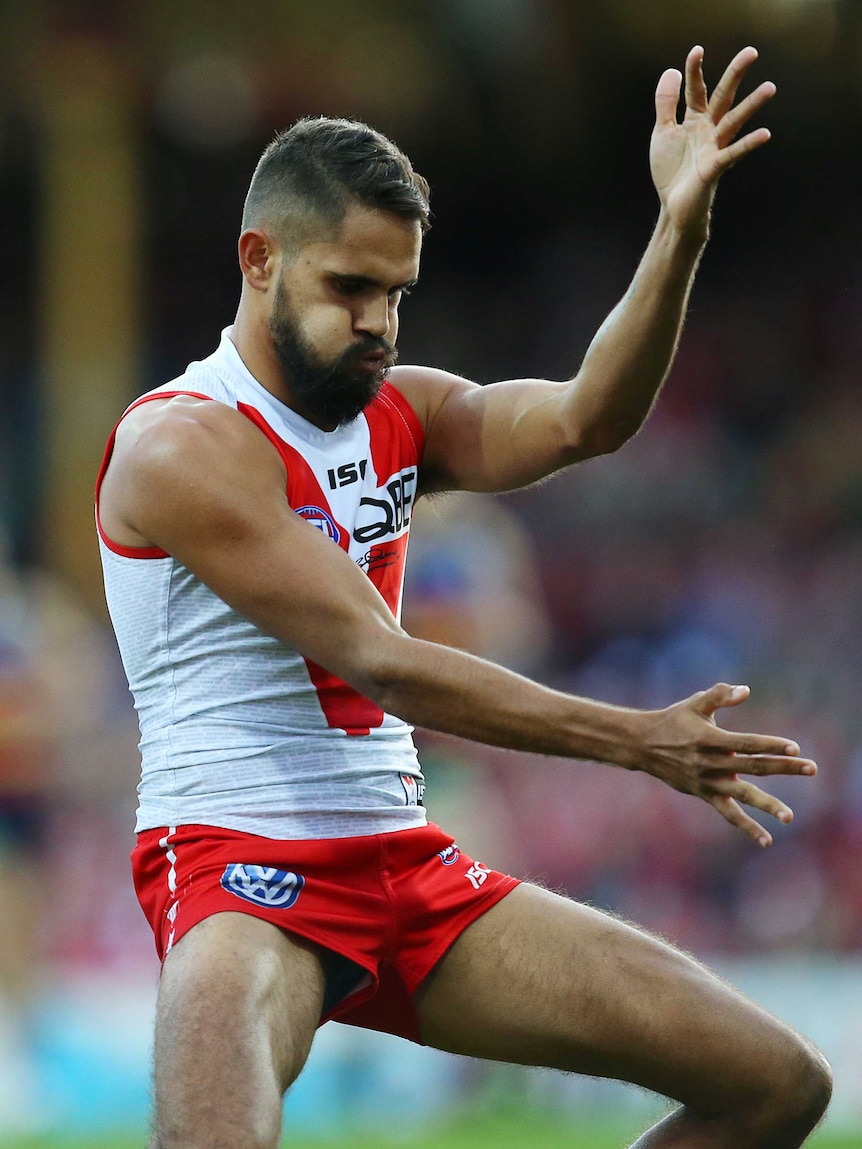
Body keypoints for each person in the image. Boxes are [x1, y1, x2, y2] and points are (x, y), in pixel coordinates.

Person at [96, 45, 831, 1149]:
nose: (380, 324)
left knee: (777, 1086)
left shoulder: (400, 411)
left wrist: (678, 231)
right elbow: (378, 658)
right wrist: (637, 740)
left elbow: (585, 418)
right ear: (259, 259)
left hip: (404, 862)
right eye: (349, 287)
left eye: (395, 293)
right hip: (240, 870)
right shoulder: (181, 445)